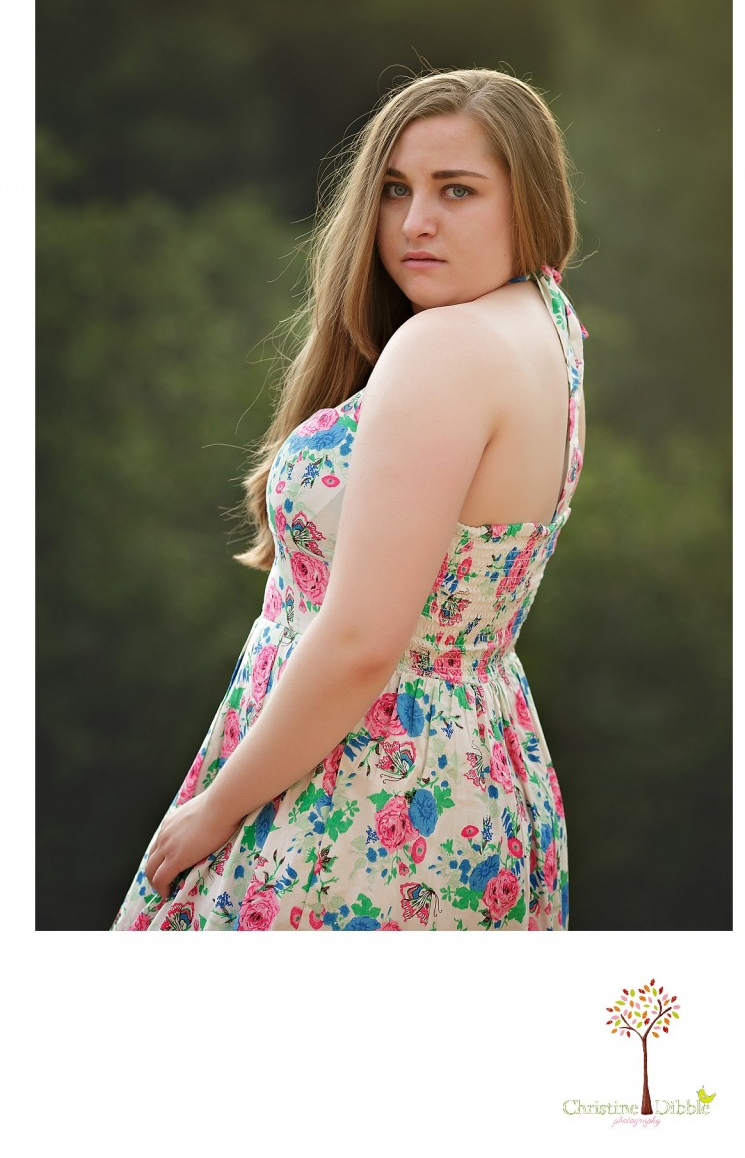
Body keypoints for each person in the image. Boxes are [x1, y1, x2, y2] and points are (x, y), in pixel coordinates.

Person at [111, 67, 588, 932]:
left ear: (532, 201)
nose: (416, 223)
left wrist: (216, 813)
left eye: (459, 191)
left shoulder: (444, 347)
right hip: (480, 768)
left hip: (364, 783)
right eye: (396, 190)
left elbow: (366, 640)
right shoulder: (547, 320)